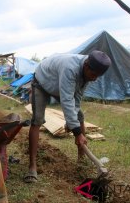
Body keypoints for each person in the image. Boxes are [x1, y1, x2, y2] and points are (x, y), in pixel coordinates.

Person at [24, 50, 111, 183]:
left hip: (59, 83)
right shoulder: (70, 69)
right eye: (94, 75)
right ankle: (32, 166)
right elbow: (66, 101)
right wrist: (77, 132)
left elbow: (77, 98)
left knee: (79, 116)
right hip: (43, 81)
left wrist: (72, 122)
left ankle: (81, 161)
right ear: (86, 66)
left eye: (98, 76)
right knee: (37, 120)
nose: (95, 79)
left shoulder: (88, 73)